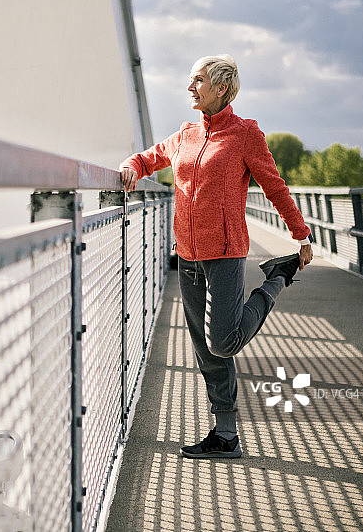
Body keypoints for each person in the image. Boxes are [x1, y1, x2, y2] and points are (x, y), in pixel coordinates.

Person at [119, 54, 313, 459]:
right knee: (206, 351)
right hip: (187, 257)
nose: (190, 87)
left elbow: (274, 186)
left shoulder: (245, 134)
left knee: (223, 342)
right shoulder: (186, 134)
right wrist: (131, 165)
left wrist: (300, 234)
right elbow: (149, 157)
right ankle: (226, 434)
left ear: (221, 88)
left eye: (198, 80)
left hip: (225, 253)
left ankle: (277, 279)